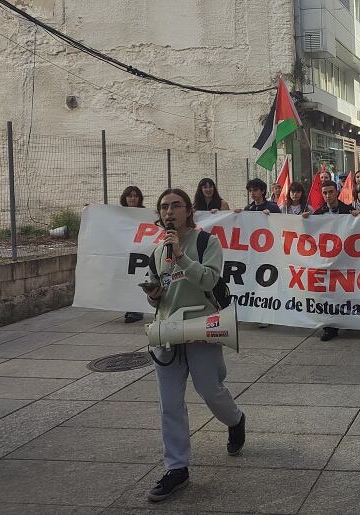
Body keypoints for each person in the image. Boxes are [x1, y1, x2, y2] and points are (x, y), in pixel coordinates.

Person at [143, 188, 245, 502]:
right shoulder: (158, 251)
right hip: (169, 333)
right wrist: (153, 293)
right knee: (169, 403)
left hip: (203, 329)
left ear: (188, 211)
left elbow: (209, 281)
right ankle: (177, 469)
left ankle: (235, 419)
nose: (169, 211)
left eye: (176, 206)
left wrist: (182, 256)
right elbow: (157, 290)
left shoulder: (206, 243)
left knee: (210, 389)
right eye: (164, 207)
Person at [315, 180, 353, 342]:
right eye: (325, 193)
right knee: (327, 294)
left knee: (345, 291)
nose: (328, 196)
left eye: (331, 192)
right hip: (326, 261)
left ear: (337, 192)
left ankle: (348, 321)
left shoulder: (349, 210)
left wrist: (359, 217)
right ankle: (329, 327)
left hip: (345, 260)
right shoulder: (317, 214)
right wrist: (304, 221)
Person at [121, 186, 145, 323]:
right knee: (128, 281)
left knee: (138, 280)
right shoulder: (119, 213)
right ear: (125, 198)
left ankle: (136, 310)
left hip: (140, 253)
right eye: (130, 196)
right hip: (125, 252)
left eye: (135, 196)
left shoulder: (145, 213)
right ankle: (130, 308)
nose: (133, 198)